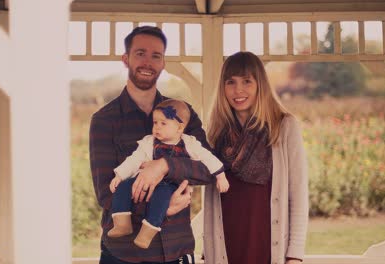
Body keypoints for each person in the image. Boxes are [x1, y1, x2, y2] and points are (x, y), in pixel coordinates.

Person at [90, 26, 215, 264]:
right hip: (124, 255)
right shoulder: (105, 120)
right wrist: (160, 208)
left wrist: (166, 165)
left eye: (156, 56)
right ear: (125, 59)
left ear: (163, 63)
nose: (148, 62)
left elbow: (208, 168)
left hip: (176, 250)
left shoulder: (183, 115)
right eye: (140, 53)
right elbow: (106, 193)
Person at [203, 51, 309, 264]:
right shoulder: (215, 134)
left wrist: (294, 255)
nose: (238, 90)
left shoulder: (284, 126)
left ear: (260, 84)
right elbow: (209, 200)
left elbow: (298, 194)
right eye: (230, 82)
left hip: (268, 243)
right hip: (227, 243)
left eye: (247, 81)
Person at [107, 99, 229, 249]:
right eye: (155, 122)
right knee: (123, 187)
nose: (157, 127)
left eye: (163, 123)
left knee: (162, 196)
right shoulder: (148, 142)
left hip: (171, 183)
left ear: (179, 128)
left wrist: (220, 175)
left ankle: (148, 231)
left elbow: (208, 158)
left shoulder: (190, 144)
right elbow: (134, 159)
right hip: (144, 179)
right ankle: (122, 222)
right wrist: (119, 175)